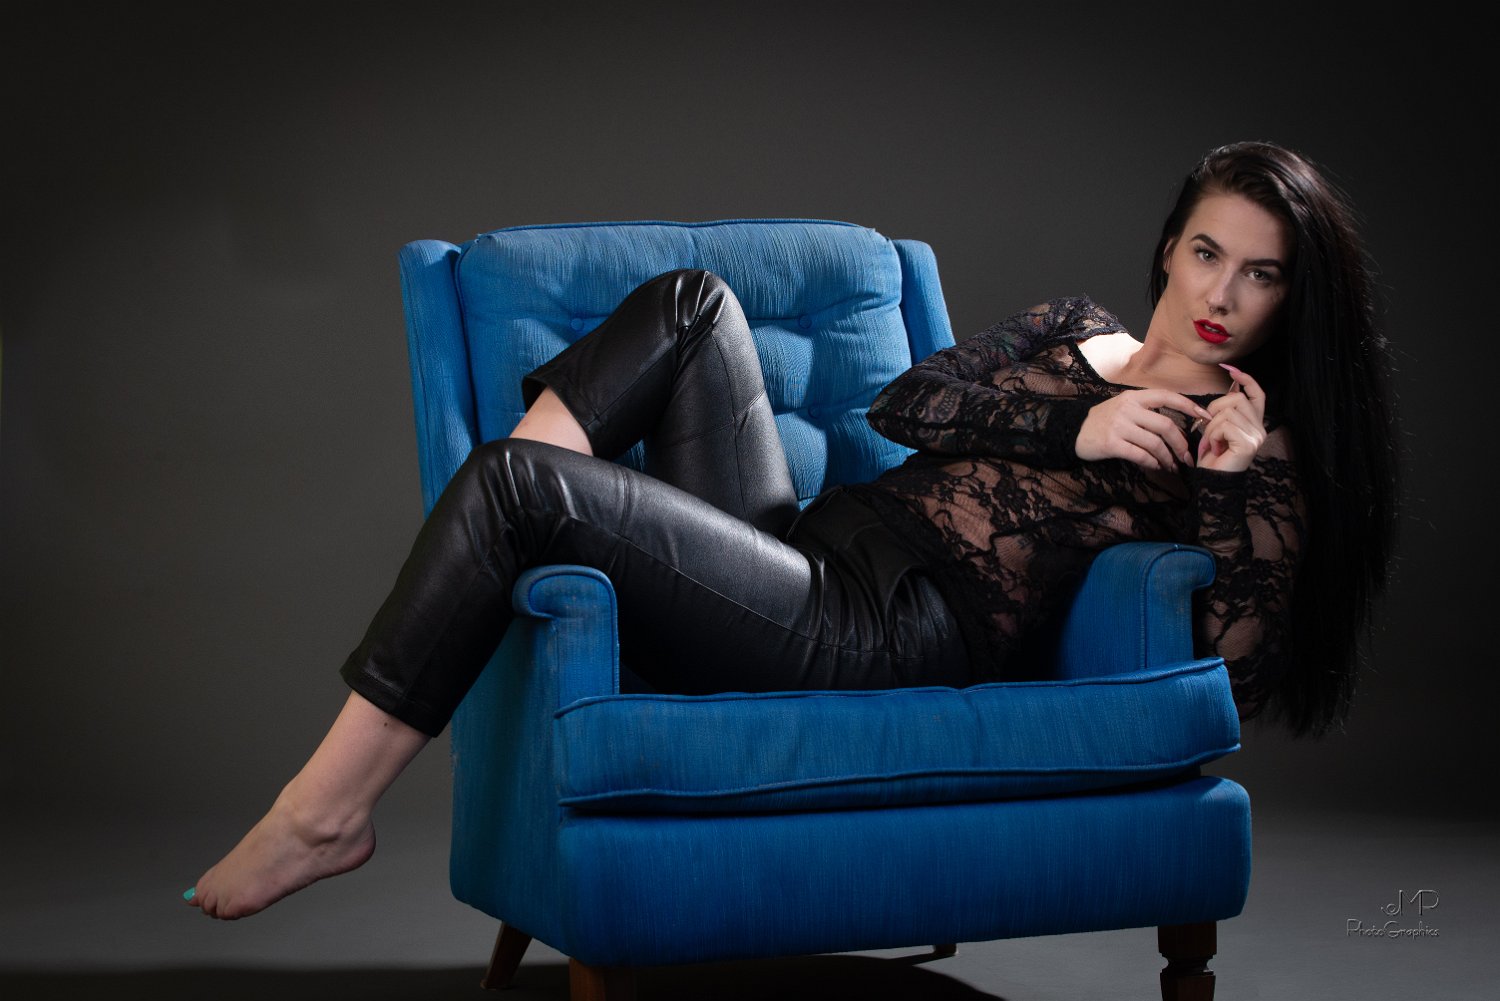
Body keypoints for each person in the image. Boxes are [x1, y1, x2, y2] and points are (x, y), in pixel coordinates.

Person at [184, 141, 1399, 920]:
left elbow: (1231, 676)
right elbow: (905, 403)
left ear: (1292, 296)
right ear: (1171, 245)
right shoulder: (1074, 327)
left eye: (1262, 273)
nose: (1221, 293)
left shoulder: (1245, 445)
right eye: (1207, 251)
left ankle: (326, 808)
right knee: (690, 306)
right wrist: (1076, 427)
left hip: (878, 636)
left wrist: (1230, 483)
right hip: (806, 552)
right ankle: (510, 543)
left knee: (510, 486)